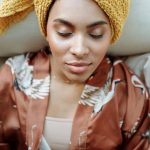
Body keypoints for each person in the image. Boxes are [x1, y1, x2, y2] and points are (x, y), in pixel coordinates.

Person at [0, 0, 149, 150]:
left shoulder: (129, 93)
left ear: (112, 34)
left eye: (96, 34)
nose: (79, 50)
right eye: (64, 33)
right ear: (46, 30)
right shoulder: (14, 77)